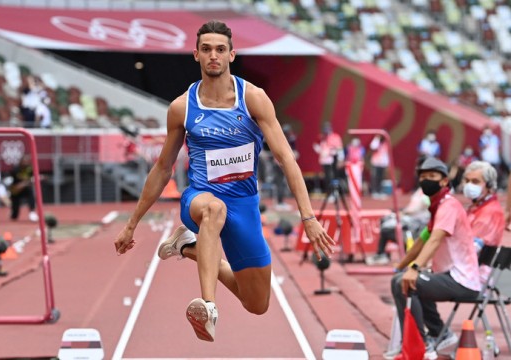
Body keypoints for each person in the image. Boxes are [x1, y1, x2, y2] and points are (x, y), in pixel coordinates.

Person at [114, 20, 335, 342]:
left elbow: (286, 158)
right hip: (201, 199)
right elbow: (162, 168)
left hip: (244, 206)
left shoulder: (254, 99)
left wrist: (309, 216)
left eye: (220, 49)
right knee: (213, 209)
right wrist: (132, 223)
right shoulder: (182, 108)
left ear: (232, 54)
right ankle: (208, 305)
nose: (213, 56)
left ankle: (188, 246)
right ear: (196, 55)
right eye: (206, 50)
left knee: (257, 304)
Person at [385, 158, 481, 360]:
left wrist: (414, 268)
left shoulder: (449, 206)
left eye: (432, 176)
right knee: (404, 279)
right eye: (422, 176)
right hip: (448, 276)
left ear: (445, 181)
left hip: (462, 279)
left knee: (408, 281)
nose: (425, 180)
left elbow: (435, 240)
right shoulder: (437, 208)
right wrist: (400, 266)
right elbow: (421, 243)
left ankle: (420, 344)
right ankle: (439, 333)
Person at [462, 161, 505, 283]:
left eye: (475, 182)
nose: (469, 185)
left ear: (489, 185)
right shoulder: (475, 208)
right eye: (467, 181)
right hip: (464, 270)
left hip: (472, 277)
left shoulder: (490, 212)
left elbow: (470, 250)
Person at [365, 187, 430, 266]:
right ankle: (382, 254)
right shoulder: (419, 191)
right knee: (385, 220)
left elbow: (422, 206)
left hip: (415, 226)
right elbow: (411, 207)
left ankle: (385, 254)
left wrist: (404, 212)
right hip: (408, 220)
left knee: (386, 230)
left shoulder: (429, 192)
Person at [313, 123, 343, 195]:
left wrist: (340, 158)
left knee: (334, 176)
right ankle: (329, 192)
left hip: (333, 159)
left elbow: (339, 148)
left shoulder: (335, 137)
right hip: (325, 160)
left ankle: (335, 192)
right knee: (327, 177)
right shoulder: (321, 137)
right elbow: (316, 146)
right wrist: (321, 151)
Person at [9, 155, 38, 222]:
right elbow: (11, 181)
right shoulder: (15, 169)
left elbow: (32, 179)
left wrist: (24, 184)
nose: (25, 163)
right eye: (24, 161)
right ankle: (14, 213)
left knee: (30, 193)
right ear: (20, 162)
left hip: (26, 189)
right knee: (14, 216)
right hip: (16, 191)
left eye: (27, 161)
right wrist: (16, 187)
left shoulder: (30, 169)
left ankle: (32, 212)